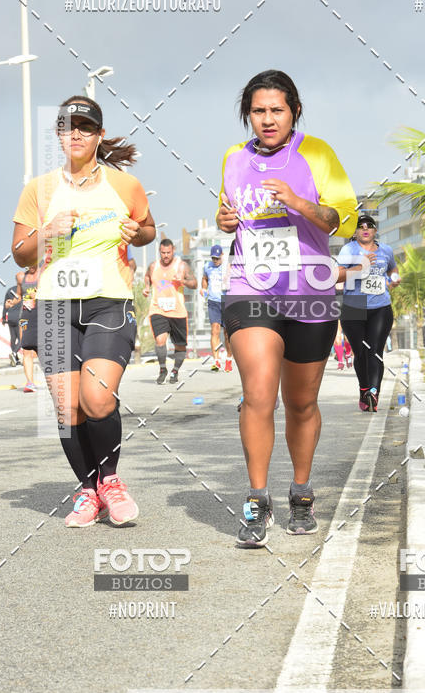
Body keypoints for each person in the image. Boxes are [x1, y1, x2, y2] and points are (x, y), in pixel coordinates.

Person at [217, 69, 357, 548]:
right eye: (259, 111)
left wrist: (299, 202)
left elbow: (342, 220)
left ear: (294, 111)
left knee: (301, 402)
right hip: (250, 287)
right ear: (248, 115)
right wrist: (224, 220)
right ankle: (257, 501)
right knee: (258, 393)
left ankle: (301, 493)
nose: (268, 119)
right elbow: (228, 212)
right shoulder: (233, 158)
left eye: (277, 109)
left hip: (309, 289)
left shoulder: (316, 153)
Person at [11, 95, 155, 527]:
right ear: (58, 134)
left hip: (108, 301)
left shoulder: (124, 185)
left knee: (96, 398)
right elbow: (20, 254)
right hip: (54, 306)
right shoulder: (39, 189)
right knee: (67, 409)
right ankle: (89, 490)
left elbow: (147, 229)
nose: (76, 133)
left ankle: (111, 480)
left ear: (99, 134)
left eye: (85, 127)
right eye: (67, 126)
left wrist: (137, 233)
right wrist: (47, 232)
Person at [337, 214, 399, 412]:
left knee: (375, 352)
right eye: (361, 226)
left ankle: (373, 393)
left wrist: (395, 278)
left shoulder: (386, 250)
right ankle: (364, 388)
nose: (365, 228)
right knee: (361, 352)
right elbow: (337, 276)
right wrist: (360, 267)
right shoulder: (349, 250)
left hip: (380, 306)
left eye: (369, 225)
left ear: (375, 230)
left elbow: (393, 269)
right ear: (355, 231)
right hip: (354, 305)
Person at [143, 238, 197, 384]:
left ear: (173, 250)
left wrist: (182, 281)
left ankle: (175, 371)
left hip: (177, 311)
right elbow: (147, 276)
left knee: (180, 346)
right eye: (163, 253)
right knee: (160, 340)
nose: (166, 255)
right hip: (158, 309)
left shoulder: (182, 266)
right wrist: (147, 287)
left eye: (168, 252)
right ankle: (162, 369)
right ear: (159, 252)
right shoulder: (153, 266)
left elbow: (194, 283)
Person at [201, 244, 233, 372]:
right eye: (213, 258)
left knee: (227, 333)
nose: (215, 260)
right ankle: (216, 361)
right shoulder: (207, 266)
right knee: (214, 330)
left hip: (226, 301)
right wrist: (203, 289)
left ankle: (229, 359)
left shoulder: (228, 266)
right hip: (213, 301)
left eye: (217, 258)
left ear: (222, 256)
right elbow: (204, 279)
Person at [16, 265, 40, 392]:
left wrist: (38, 295)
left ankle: (54, 378)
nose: (31, 265)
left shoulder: (44, 274)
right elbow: (18, 296)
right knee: (25, 349)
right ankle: (30, 382)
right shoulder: (21, 277)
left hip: (41, 316)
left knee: (43, 349)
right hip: (25, 316)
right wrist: (12, 302)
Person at [2, 283, 22, 367]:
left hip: (10, 317)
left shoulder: (9, 290)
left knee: (13, 338)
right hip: (20, 318)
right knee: (22, 339)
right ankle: (14, 353)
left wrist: (3, 318)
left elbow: (5, 305)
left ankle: (16, 359)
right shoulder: (24, 291)